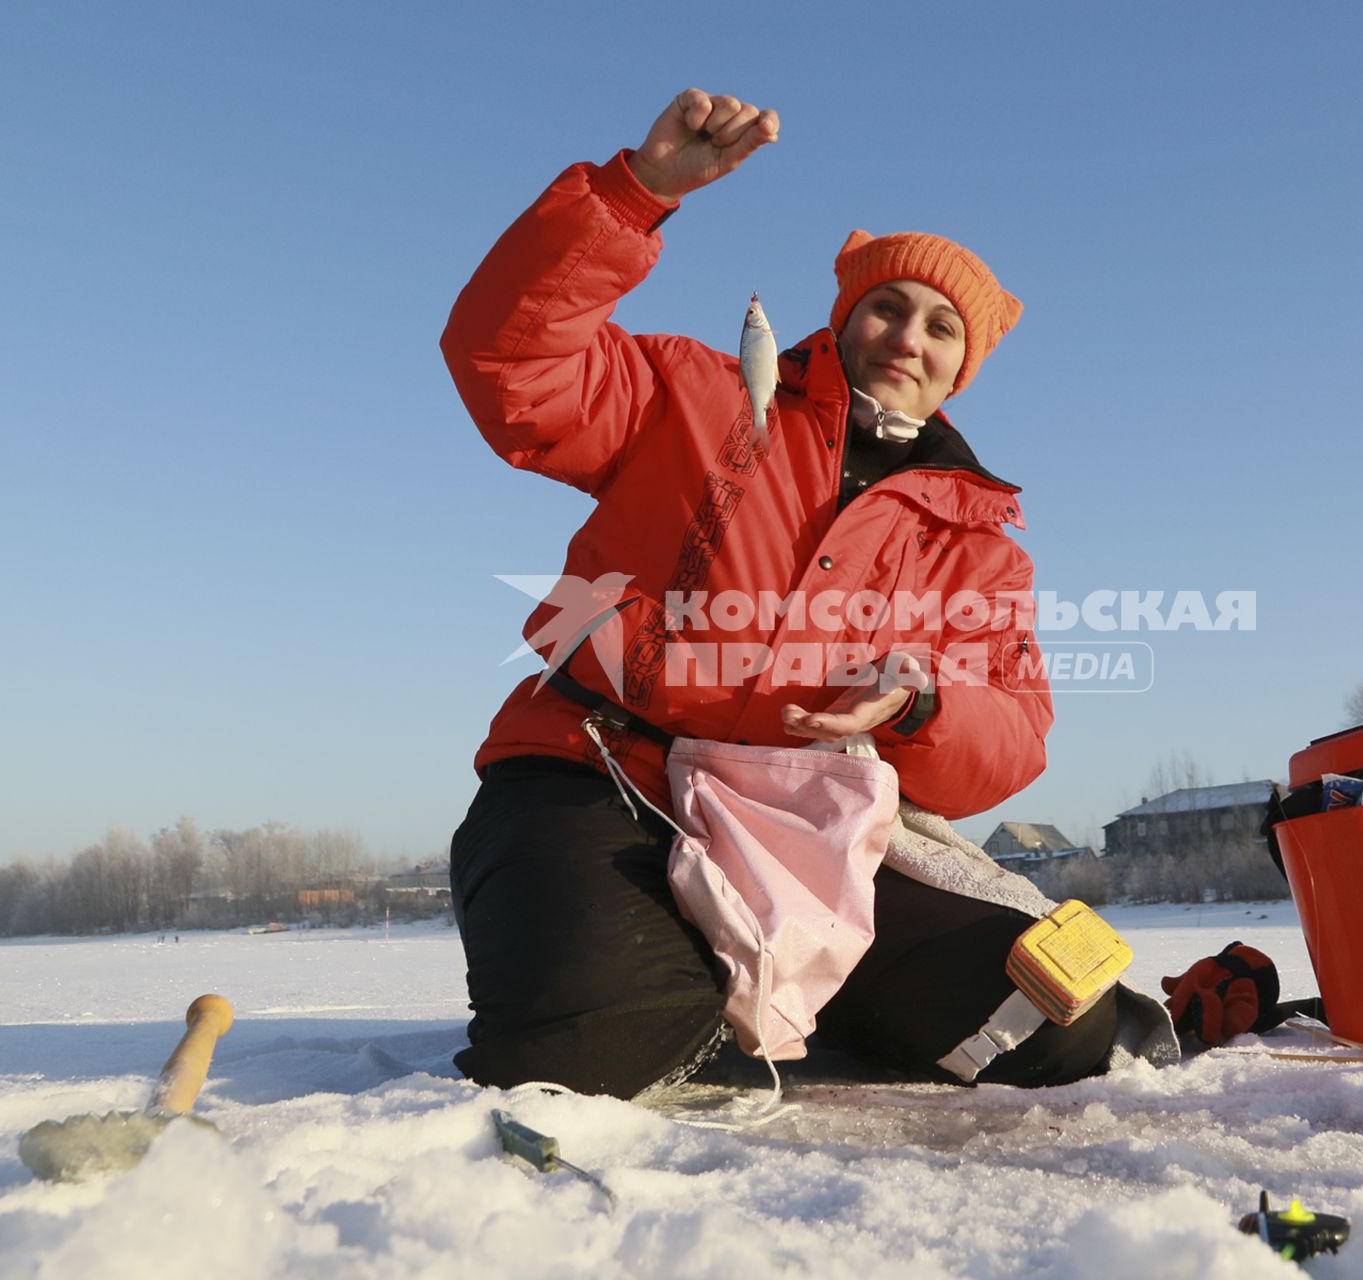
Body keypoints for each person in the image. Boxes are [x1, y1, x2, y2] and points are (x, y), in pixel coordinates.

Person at [440, 90, 1220, 1099]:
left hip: (816, 825)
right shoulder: (693, 391)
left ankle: (820, 986)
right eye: (887, 305)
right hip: (607, 773)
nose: (909, 334)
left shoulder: (980, 545)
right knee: (595, 1045)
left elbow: (1015, 735)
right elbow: (508, 361)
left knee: (1056, 1023)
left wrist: (919, 702)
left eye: (942, 326)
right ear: (842, 317)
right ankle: (672, 978)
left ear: (961, 369)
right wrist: (633, 196)